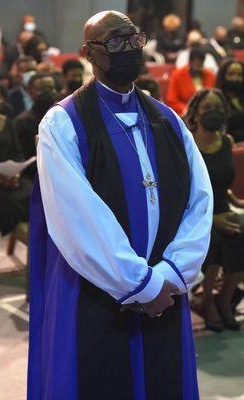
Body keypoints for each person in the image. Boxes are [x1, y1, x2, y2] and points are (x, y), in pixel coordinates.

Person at [28, 11, 213, 399]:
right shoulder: (63, 124)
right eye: (115, 42)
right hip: (98, 293)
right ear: (88, 53)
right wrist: (141, 284)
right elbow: (76, 219)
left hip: (165, 290)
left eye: (134, 40)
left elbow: (201, 200)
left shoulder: (168, 121)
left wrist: (174, 272)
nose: (129, 50)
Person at [184, 88, 244, 332]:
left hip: (221, 205)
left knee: (240, 231)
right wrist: (211, 219)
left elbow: (222, 183)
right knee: (216, 238)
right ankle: (208, 300)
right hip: (193, 211)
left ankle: (225, 298)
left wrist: (237, 202)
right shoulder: (186, 142)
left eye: (218, 108)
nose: (214, 113)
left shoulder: (227, 141)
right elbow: (182, 190)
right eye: (208, 108)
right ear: (196, 113)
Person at [0, 79, 31, 235]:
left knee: (36, 193)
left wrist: (16, 172)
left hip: (10, 177)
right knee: (9, 205)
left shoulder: (6, 121)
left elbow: (18, 153)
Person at [14, 72, 57, 181]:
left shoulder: (63, 117)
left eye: (51, 88)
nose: (48, 92)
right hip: (35, 176)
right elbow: (24, 159)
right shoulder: (22, 122)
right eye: (42, 89)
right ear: (30, 92)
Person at [166, 48, 215, 116]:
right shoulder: (177, 75)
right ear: (190, 62)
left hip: (206, 113)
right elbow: (172, 101)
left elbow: (213, 97)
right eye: (197, 65)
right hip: (185, 113)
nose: (199, 69)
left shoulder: (210, 75)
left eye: (201, 66)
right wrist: (189, 109)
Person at [216, 59, 244, 142]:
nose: (235, 79)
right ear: (223, 76)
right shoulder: (217, 99)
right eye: (231, 74)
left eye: (239, 75)